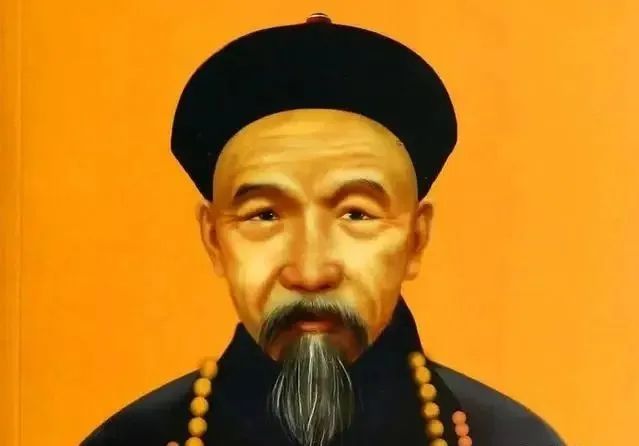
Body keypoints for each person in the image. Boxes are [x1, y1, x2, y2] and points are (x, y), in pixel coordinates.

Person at [81, 13, 564, 446]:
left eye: (357, 214)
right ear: (213, 241)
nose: (310, 272)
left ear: (417, 239)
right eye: (264, 215)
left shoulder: (511, 440)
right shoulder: (131, 441)